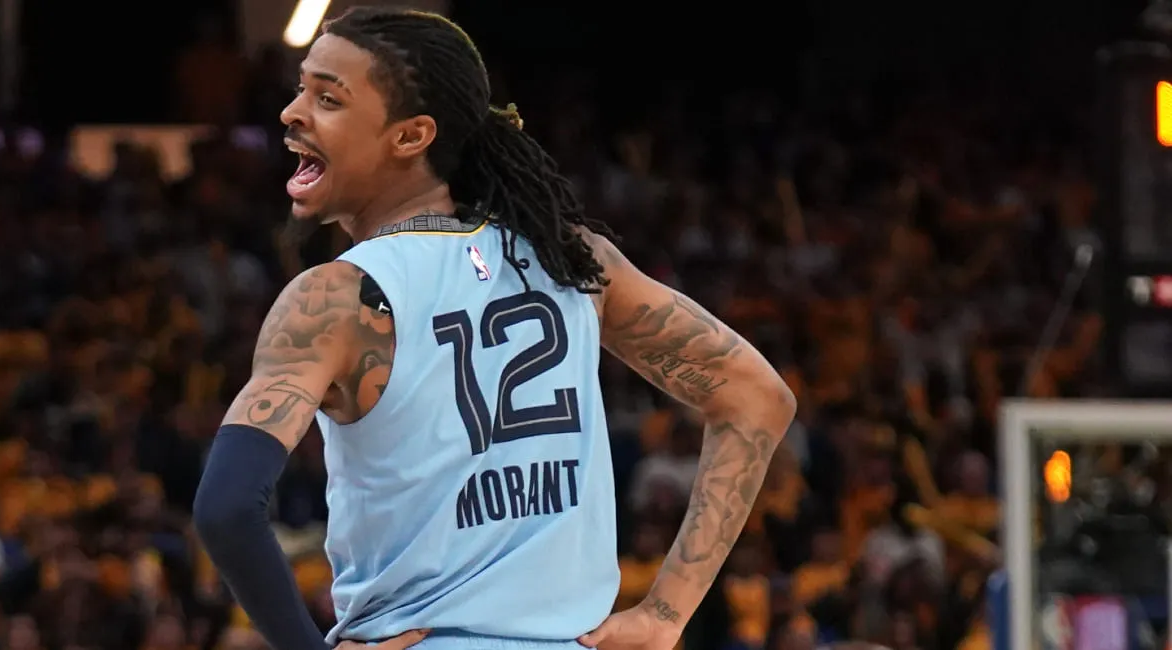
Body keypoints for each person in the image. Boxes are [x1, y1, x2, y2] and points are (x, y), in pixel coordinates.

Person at [191, 7, 797, 650]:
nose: (292, 112)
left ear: (411, 136)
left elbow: (226, 508)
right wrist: (667, 612)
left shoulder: (336, 298)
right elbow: (757, 397)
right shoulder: (573, 260)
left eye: (328, 98)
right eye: (301, 89)